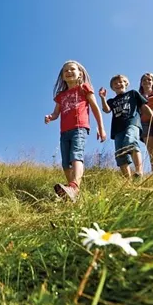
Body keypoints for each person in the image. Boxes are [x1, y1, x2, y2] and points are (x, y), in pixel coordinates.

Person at [44, 60, 106, 202]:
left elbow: (96, 108)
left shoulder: (84, 88)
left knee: (75, 155)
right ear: (62, 77)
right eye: (66, 71)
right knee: (65, 163)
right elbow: (56, 113)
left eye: (72, 69)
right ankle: (70, 192)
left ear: (80, 74)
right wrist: (50, 117)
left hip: (79, 128)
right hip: (64, 131)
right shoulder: (61, 95)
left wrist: (101, 128)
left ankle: (74, 186)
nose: (69, 72)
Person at [99, 75, 153, 179]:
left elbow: (144, 107)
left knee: (130, 141)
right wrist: (103, 98)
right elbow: (106, 110)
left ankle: (139, 171)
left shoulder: (133, 93)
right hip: (117, 129)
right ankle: (128, 180)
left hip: (132, 123)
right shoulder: (111, 101)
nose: (118, 84)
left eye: (121, 82)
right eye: (115, 84)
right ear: (112, 88)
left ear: (126, 84)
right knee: (120, 153)